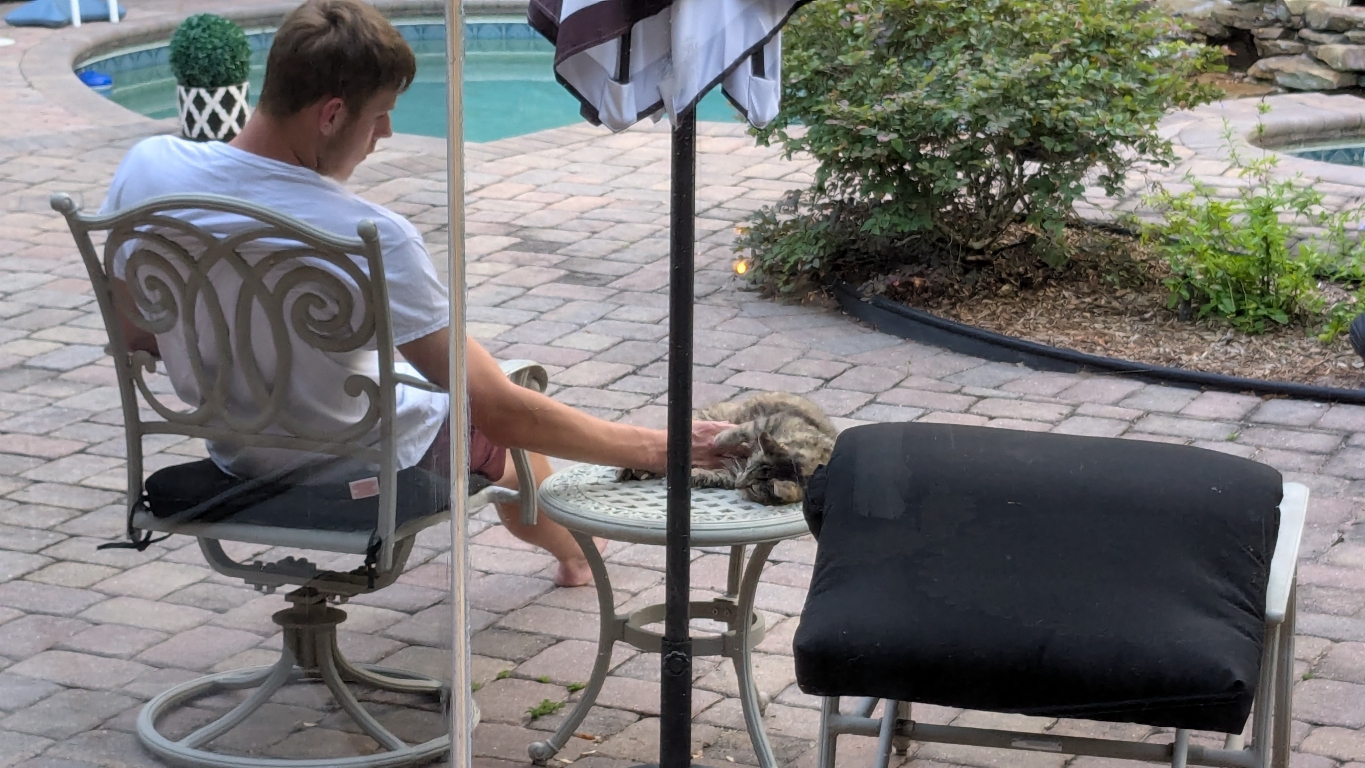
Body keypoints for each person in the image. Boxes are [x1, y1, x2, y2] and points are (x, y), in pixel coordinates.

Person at [100, 0, 736, 587]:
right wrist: (661, 448)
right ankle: (575, 559)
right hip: (362, 469)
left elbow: (137, 338)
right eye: (380, 114)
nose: (386, 134)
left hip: (237, 459)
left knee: (459, 386)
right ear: (331, 115)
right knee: (506, 420)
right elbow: (498, 411)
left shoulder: (148, 170)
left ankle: (570, 555)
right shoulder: (369, 235)